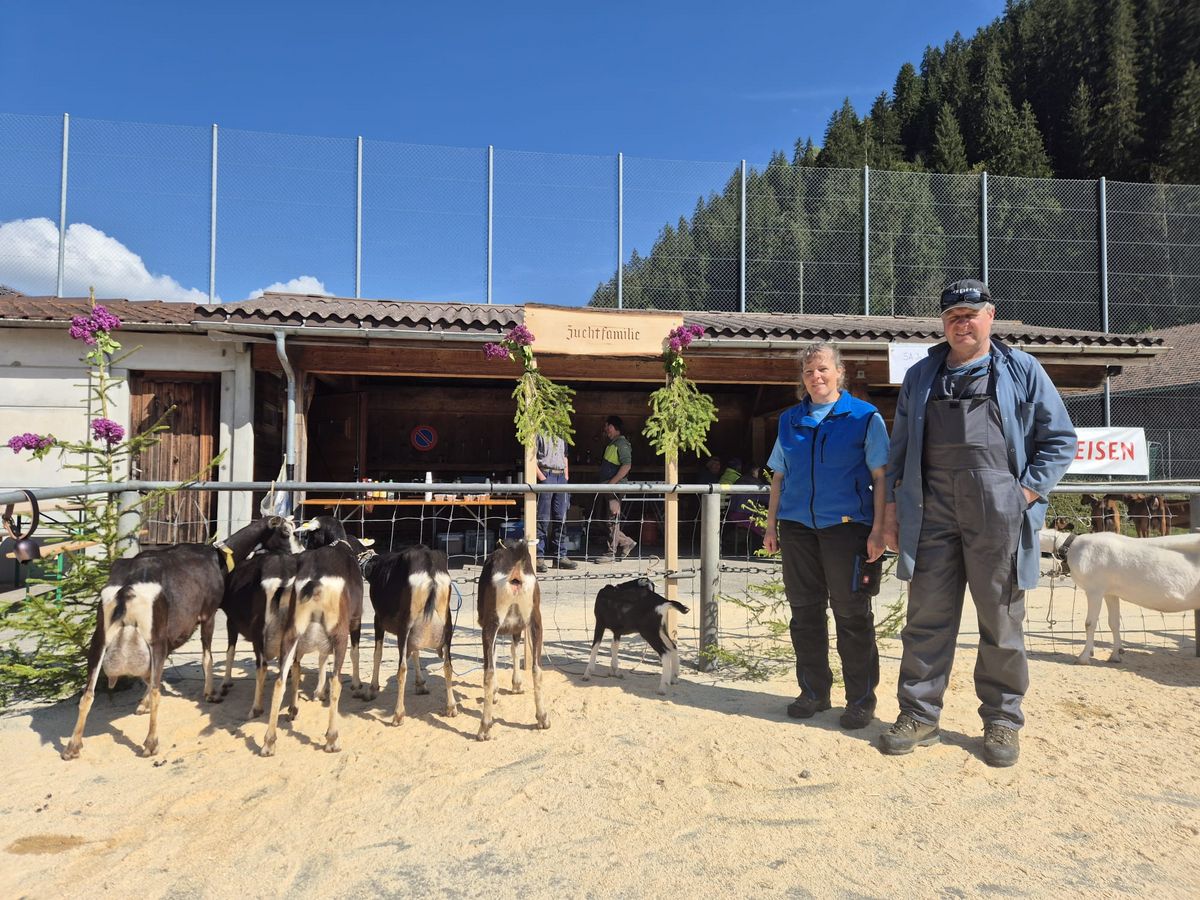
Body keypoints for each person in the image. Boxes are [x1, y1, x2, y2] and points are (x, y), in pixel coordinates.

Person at [880, 279, 1076, 767]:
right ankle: (919, 715)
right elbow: (899, 450)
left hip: (998, 513)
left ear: (990, 317)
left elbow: (1060, 439)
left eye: (970, 315)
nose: (961, 324)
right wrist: (890, 512)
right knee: (926, 619)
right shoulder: (922, 375)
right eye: (952, 317)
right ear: (943, 324)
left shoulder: (1021, 369)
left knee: (1001, 620)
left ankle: (1002, 720)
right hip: (932, 513)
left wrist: (1023, 493)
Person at [763, 342, 889, 731]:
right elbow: (779, 476)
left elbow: (881, 476)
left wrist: (880, 529)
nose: (815, 376)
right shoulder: (790, 420)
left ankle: (861, 700)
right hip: (797, 527)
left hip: (848, 528)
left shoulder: (864, 417)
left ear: (839, 372)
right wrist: (770, 525)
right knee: (804, 612)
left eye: (822, 369)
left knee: (851, 614)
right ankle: (813, 693)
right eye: (808, 371)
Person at [534, 432, 577, 574]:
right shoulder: (539, 433)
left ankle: (560, 556)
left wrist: (566, 475)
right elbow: (530, 458)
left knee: (561, 518)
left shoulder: (562, 433)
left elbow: (565, 455)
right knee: (543, 518)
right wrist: (542, 478)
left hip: (561, 476)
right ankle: (538, 557)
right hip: (546, 473)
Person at [596, 415, 637, 563]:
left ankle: (611, 553)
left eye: (607, 427)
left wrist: (611, 484)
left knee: (612, 519)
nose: (606, 430)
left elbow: (626, 466)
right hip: (608, 488)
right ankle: (626, 542)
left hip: (614, 488)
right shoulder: (612, 444)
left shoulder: (622, 444)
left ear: (613, 427)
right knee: (602, 520)